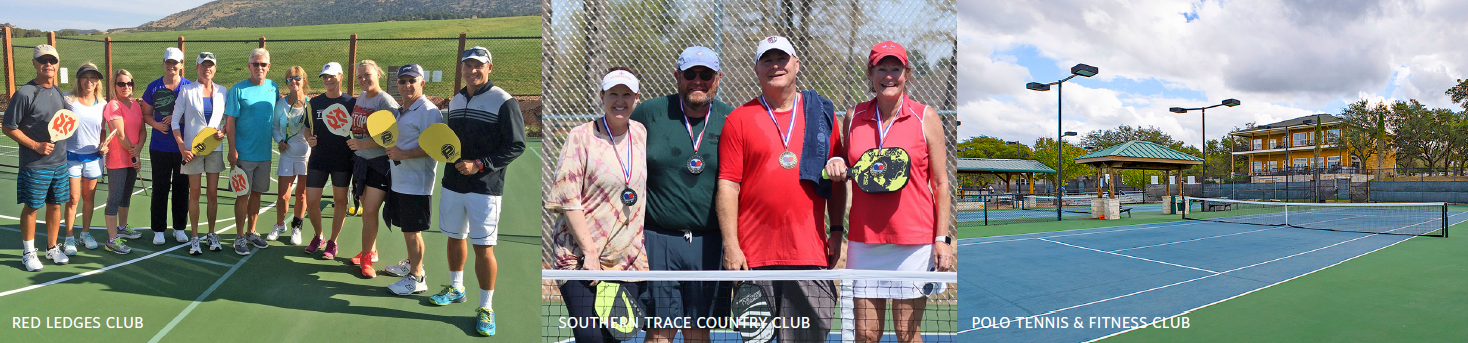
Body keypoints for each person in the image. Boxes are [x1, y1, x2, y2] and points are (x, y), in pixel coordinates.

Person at [716, 36, 845, 342]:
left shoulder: (823, 115)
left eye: (782, 59)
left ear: (796, 64)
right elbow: (728, 186)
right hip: (754, 258)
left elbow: (837, 183)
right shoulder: (739, 119)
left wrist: (837, 230)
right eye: (767, 60)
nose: (775, 66)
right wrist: (731, 246)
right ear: (757, 69)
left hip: (808, 254)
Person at [833, 41, 954, 343]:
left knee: (907, 334)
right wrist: (835, 162)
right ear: (870, 73)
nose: (889, 76)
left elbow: (940, 183)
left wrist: (941, 240)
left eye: (895, 69)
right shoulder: (853, 117)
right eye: (881, 69)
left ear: (906, 73)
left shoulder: (926, 117)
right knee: (866, 335)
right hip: (864, 242)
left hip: (913, 244)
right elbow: (846, 168)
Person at [629, 46, 735, 343]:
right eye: (690, 74)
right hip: (658, 239)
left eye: (706, 74)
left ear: (718, 78)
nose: (697, 80)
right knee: (659, 330)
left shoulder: (732, 119)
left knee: (698, 330)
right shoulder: (649, 113)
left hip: (710, 242)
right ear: (678, 76)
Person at [547, 68, 648, 343]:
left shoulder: (640, 133)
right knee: (590, 337)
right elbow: (568, 199)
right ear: (602, 96)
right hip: (581, 260)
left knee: (615, 337)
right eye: (613, 94)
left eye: (627, 94)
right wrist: (590, 253)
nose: (620, 100)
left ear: (637, 98)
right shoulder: (580, 137)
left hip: (627, 260)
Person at [434, 47, 526, 336]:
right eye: (468, 65)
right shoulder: (458, 98)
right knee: (453, 237)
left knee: (483, 247)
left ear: (490, 67)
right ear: (462, 68)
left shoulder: (504, 101)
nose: (473, 70)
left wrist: (480, 165)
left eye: (479, 66)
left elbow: (516, 144)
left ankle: (486, 306)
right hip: (452, 182)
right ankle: (456, 288)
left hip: (485, 187)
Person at [4, 45, 73, 270]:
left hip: (60, 163)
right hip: (35, 165)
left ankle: (52, 248)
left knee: (55, 206)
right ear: (34, 64)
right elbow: (8, 127)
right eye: (43, 60)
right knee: (32, 207)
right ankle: (28, 252)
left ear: (57, 64)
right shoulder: (25, 93)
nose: (48, 65)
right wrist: (35, 145)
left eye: (52, 60)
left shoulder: (59, 93)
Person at [383, 64, 442, 297]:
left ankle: (417, 277)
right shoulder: (401, 110)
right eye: (402, 81)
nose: (407, 85)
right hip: (399, 181)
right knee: (407, 228)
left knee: (412, 231)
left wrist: (404, 154)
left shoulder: (429, 111)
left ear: (422, 83)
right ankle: (410, 263)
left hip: (417, 183)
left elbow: (436, 147)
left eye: (412, 81)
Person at [343, 59, 399, 276]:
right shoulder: (362, 98)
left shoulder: (385, 101)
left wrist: (363, 144)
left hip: (379, 164)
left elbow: (392, 137)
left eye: (367, 75)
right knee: (367, 209)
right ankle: (371, 250)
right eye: (360, 77)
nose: (364, 79)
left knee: (370, 211)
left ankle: (367, 258)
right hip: (361, 162)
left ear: (378, 74)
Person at [172, 52, 227, 255]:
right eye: (203, 65)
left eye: (210, 65)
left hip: (215, 149)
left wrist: (224, 131)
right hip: (192, 151)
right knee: (194, 193)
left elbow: (227, 120)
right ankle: (194, 237)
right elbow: (175, 121)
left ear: (214, 68)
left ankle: (211, 234)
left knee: (212, 194)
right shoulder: (186, 91)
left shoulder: (223, 91)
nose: (207, 69)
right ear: (196, 68)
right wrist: (182, 147)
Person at [224, 48, 278, 255]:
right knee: (242, 196)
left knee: (256, 195)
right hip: (243, 154)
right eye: (255, 64)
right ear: (249, 66)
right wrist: (232, 150)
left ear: (268, 67)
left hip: (264, 154)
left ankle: (251, 232)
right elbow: (230, 122)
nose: (259, 68)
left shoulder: (273, 87)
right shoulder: (238, 89)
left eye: (263, 64)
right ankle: (239, 237)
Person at [141, 47, 192, 245]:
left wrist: (177, 119)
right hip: (159, 147)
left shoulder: (189, 87)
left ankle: (180, 228)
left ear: (181, 65)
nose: (172, 66)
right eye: (168, 62)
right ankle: (159, 230)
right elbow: (146, 114)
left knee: (182, 188)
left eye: (176, 63)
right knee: (160, 188)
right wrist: (158, 125)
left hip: (183, 148)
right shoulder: (153, 87)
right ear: (163, 63)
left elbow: (194, 115)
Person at [303, 62, 354, 258]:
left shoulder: (352, 103)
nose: (328, 80)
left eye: (331, 76)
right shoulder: (314, 103)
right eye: (325, 77)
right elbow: (308, 127)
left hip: (342, 159)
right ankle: (319, 236)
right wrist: (309, 138)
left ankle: (333, 242)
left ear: (340, 77)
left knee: (340, 201)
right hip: (318, 159)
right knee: (312, 201)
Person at [61, 63, 107, 255]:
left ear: (97, 82)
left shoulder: (103, 104)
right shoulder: (68, 100)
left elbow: (103, 130)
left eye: (93, 78)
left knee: (89, 198)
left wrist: (104, 144)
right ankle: (69, 238)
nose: (89, 81)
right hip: (71, 156)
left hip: (93, 158)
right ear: (78, 80)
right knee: (73, 198)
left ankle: (85, 233)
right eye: (85, 77)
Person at [101, 69, 146, 254]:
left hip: (132, 156)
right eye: (121, 83)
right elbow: (120, 134)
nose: (126, 87)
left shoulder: (135, 105)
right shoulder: (113, 106)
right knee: (115, 197)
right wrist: (133, 152)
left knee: (126, 195)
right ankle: (111, 239)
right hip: (118, 160)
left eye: (129, 83)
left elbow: (142, 130)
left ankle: (122, 227)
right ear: (115, 86)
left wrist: (139, 149)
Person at [267, 66, 312, 245]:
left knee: (302, 194)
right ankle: (279, 225)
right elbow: (275, 127)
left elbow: (314, 129)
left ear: (303, 80)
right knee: (283, 196)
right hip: (286, 154)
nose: (294, 81)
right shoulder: (281, 104)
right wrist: (279, 141)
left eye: (297, 78)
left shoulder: (310, 104)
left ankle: (297, 227)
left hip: (306, 155)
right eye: (289, 79)